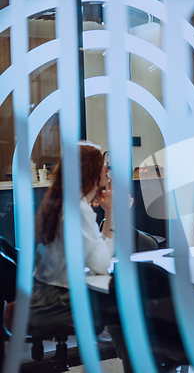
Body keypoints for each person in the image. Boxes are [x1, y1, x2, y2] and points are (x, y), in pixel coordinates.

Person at [29, 141, 114, 330]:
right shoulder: (78, 209)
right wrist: (114, 216)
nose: (106, 168)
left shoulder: (66, 203)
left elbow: (95, 254)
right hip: (53, 300)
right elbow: (101, 265)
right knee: (122, 307)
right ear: (90, 170)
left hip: (42, 293)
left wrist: (109, 214)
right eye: (101, 164)